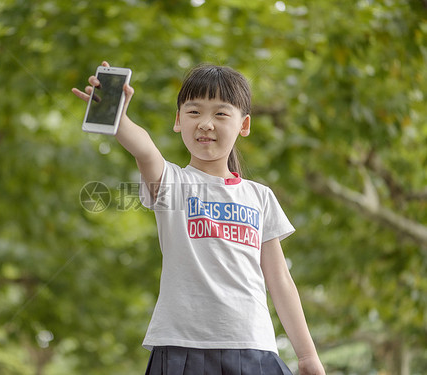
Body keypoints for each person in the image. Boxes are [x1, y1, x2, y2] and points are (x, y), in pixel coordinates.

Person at [72, 61, 326, 375]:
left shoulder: (260, 197)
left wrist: (307, 356)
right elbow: (146, 151)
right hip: (181, 347)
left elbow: (280, 280)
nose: (206, 123)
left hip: (253, 347)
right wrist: (118, 117)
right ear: (178, 120)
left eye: (220, 113)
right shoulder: (172, 184)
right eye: (194, 112)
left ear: (244, 125)